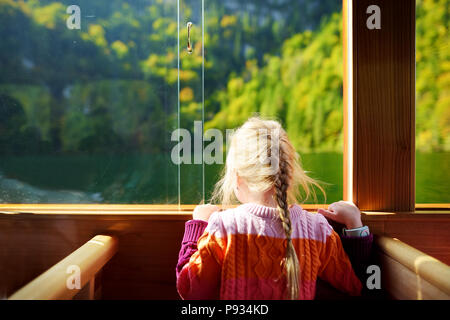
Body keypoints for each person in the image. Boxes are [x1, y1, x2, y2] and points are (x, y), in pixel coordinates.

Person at [176, 117, 372, 300]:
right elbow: (359, 286)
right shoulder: (317, 229)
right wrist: (354, 224)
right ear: (291, 175)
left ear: (237, 177)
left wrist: (198, 225)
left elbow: (189, 290)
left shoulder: (223, 228)